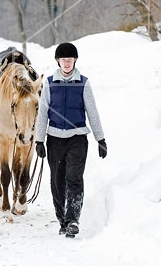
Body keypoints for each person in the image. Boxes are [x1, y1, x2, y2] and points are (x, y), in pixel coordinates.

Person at [34, 42, 107, 238]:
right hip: (55, 140)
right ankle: (62, 219)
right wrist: (39, 140)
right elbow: (42, 114)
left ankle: (73, 220)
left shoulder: (83, 83)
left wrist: (101, 139)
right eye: (63, 59)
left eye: (70, 59)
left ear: (75, 60)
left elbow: (92, 111)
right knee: (57, 181)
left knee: (74, 178)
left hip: (77, 138)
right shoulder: (49, 83)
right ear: (58, 61)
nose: (67, 63)